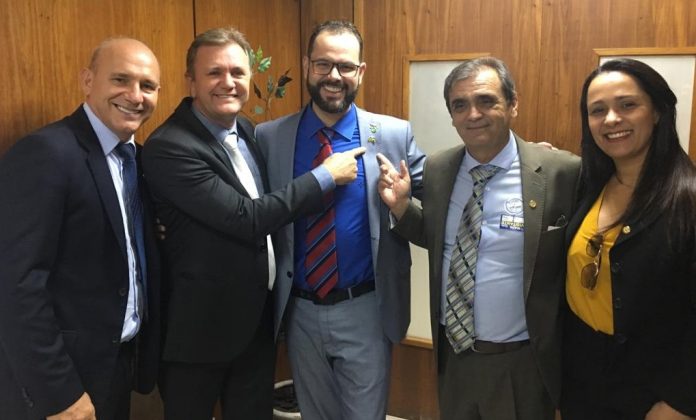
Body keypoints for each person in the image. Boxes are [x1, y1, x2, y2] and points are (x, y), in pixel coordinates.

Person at [141, 27, 364, 420]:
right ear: (191, 80)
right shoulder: (170, 145)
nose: (228, 82)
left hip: (255, 325)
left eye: (238, 73)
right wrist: (325, 176)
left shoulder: (246, 130)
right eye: (214, 72)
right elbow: (247, 218)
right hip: (198, 335)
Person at [377, 57, 581, 419]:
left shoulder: (559, 172)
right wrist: (402, 208)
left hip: (521, 363)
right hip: (453, 358)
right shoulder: (439, 168)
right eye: (460, 105)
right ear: (452, 116)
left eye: (486, 101)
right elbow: (445, 240)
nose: (473, 114)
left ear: (513, 104)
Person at [256, 20, 426, 420]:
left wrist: (508, 162)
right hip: (300, 310)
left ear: (360, 71)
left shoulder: (392, 133)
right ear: (307, 66)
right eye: (323, 64)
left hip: (365, 307)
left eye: (346, 66)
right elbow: (246, 203)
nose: (334, 76)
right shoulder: (270, 137)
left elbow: (442, 188)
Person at [0, 38, 162, 420]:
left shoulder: (139, 160)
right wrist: (60, 394)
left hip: (118, 366)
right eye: (120, 80)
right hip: (62, 383)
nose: (135, 95)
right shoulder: (46, 153)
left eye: (148, 86)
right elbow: (16, 284)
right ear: (87, 81)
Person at [560, 58, 696, 419]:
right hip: (581, 378)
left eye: (627, 105)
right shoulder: (587, 186)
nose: (611, 119)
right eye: (597, 110)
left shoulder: (688, 200)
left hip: (654, 393)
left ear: (658, 112)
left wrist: (681, 401)